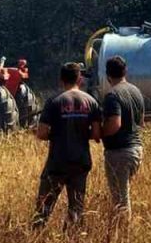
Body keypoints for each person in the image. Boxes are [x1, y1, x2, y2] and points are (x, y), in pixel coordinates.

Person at [32, 62, 102, 231]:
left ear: (61, 80)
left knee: (43, 208)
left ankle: (35, 240)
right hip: (80, 162)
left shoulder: (54, 102)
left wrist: (56, 134)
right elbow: (97, 135)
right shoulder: (92, 102)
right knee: (76, 209)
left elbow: (41, 133)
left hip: (57, 162)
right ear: (80, 79)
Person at [101, 56, 144, 226]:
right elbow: (141, 123)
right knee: (123, 193)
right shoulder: (136, 91)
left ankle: (123, 236)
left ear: (107, 75)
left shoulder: (112, 95)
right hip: (137, 150)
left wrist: (99, 134)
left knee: (120, 201)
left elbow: (114, 124)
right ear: (125, 71)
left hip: (119, 153)